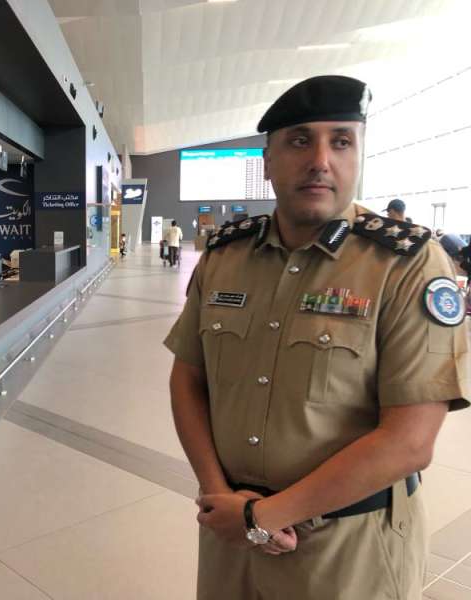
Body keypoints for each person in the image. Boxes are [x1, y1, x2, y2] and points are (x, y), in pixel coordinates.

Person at [164, 75, 469, 600]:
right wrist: (220, 498)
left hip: (348, 548)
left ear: (359, 155)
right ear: (267, 161)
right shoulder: (225, 257)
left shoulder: (406, 264)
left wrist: (265, 517)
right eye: (300, 141)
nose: (320, 160)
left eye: (341, 141)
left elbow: (409, 441)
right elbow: (188, 379)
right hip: (230, 534)